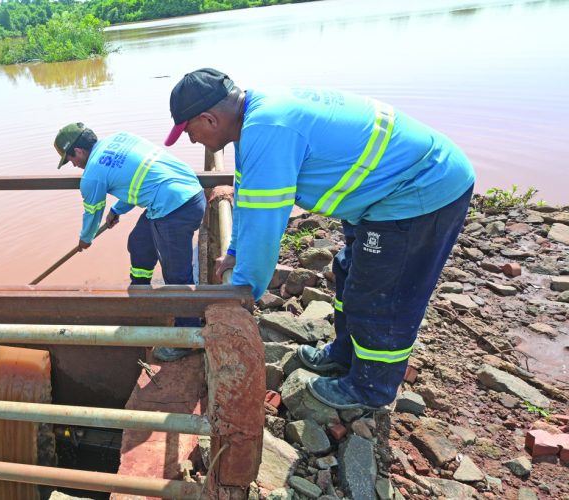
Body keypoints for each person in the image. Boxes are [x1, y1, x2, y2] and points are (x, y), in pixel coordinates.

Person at [163, 68, 475, 411]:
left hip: (419, 190)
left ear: (208, 119)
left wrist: (242, 294)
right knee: (349, 272)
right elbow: (247, 193)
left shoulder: (268, 128)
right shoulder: (254, 118)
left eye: (188, 132)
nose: (192, 142)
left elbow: (266, 226)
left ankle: (370, 389)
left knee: (381, 295)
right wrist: (235, 249)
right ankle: (344, 354)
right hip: (380, 195)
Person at [53, 122, 207, 361]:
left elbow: (92, 213)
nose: (73, 164)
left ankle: (187, 337)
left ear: (78, 151)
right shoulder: (120, 138)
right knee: (139, 243)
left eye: (70, 159)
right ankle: (141, 293)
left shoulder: (92, 174)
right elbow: (137, 180)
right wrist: (117, 209)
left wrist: (85, 239)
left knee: (177, 276)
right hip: (185, 191)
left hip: (174, 208)